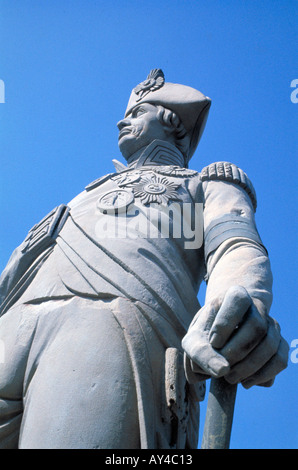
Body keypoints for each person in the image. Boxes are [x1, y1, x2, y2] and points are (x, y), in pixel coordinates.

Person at [0, 69, 288, 449]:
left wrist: (238, 306)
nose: (123, 120)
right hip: (11, 326)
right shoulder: (82, 194)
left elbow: (234, 246)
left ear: (170, 120)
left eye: (138, 112)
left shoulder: (201, 184)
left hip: (108, 328)